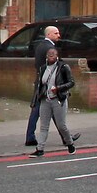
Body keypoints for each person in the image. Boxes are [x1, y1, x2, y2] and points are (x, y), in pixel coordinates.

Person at [33, 29, 79, 157]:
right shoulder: (43, 68)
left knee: (61, 126)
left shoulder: (63, 67)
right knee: (43, 126)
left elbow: (71, 83)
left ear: (57, 56)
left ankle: (70, 144)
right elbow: (41, 84)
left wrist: (58, 88)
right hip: (45, 100)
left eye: (52, 56)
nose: (50, 58)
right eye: (48, 56)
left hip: (59, 100)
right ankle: (40, 149)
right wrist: (39, 95)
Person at [24, 25, 59, 149]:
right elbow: (54, 67)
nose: (58, 35)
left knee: (41, 109)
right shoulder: (50, 48)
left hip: (40, 81)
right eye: (56, 33)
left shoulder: (40, 46)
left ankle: (30, 136)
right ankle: (66, 137)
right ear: (48, 34)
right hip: (47, 83)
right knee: (51, 108)